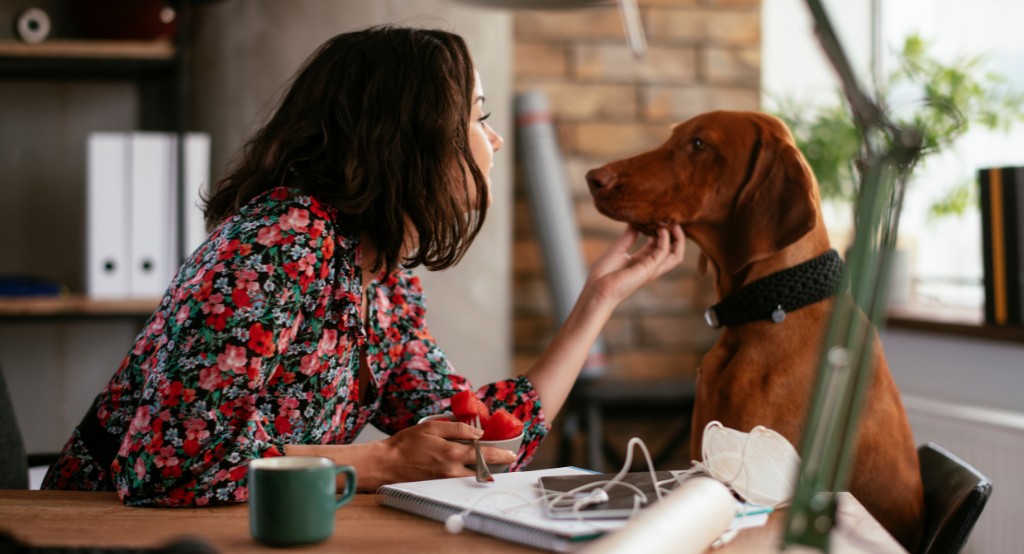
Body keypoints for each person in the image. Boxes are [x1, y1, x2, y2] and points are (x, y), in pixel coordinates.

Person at [42, 25, 685, 506]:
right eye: (476, 117)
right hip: (102, 534)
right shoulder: (278, 243)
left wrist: (598, 299)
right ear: (412, 136)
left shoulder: (383, 278)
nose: (491, 141)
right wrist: (378, 461)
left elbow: (477, 445)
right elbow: (167, 469)